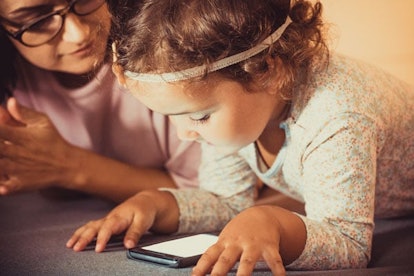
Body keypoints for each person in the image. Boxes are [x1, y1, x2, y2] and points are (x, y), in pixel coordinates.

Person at [66, 0, 414, 275]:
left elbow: (348, 243)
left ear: (267, 72)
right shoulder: (244, 109)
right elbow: (228, 200)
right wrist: (157, 204)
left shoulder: (338, 114)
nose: (185, 134)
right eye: (171, 118)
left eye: (199, 116)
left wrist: (270, 221)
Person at [0, 0, 201, 202]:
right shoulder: (12, 84)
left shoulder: (167, 51)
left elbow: (207, 191)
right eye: (37, 21)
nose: (79, 34)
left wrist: (67, 166)